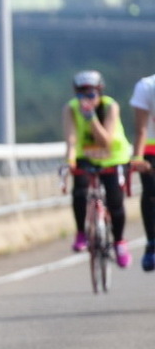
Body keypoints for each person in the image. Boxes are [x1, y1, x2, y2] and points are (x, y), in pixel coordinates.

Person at [62, 70, 132, 267]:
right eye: (81, 95)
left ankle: (119, 242)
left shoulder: (110, 106)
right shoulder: (70, 108)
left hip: (113, 157)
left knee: (115, 201)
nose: (86, 99)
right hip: (87, 156)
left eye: (91, 94)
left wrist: (91, 118)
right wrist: (70, 161)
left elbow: (106, 141)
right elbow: (71, 139)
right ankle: (81, 233)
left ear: (100, 92)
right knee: (80, 191)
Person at [129, 71, 155, 270]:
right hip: (151, 149)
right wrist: (137, 158)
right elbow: (141, 129)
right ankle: (152, 243)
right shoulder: (146, 86)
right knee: (151, 192)